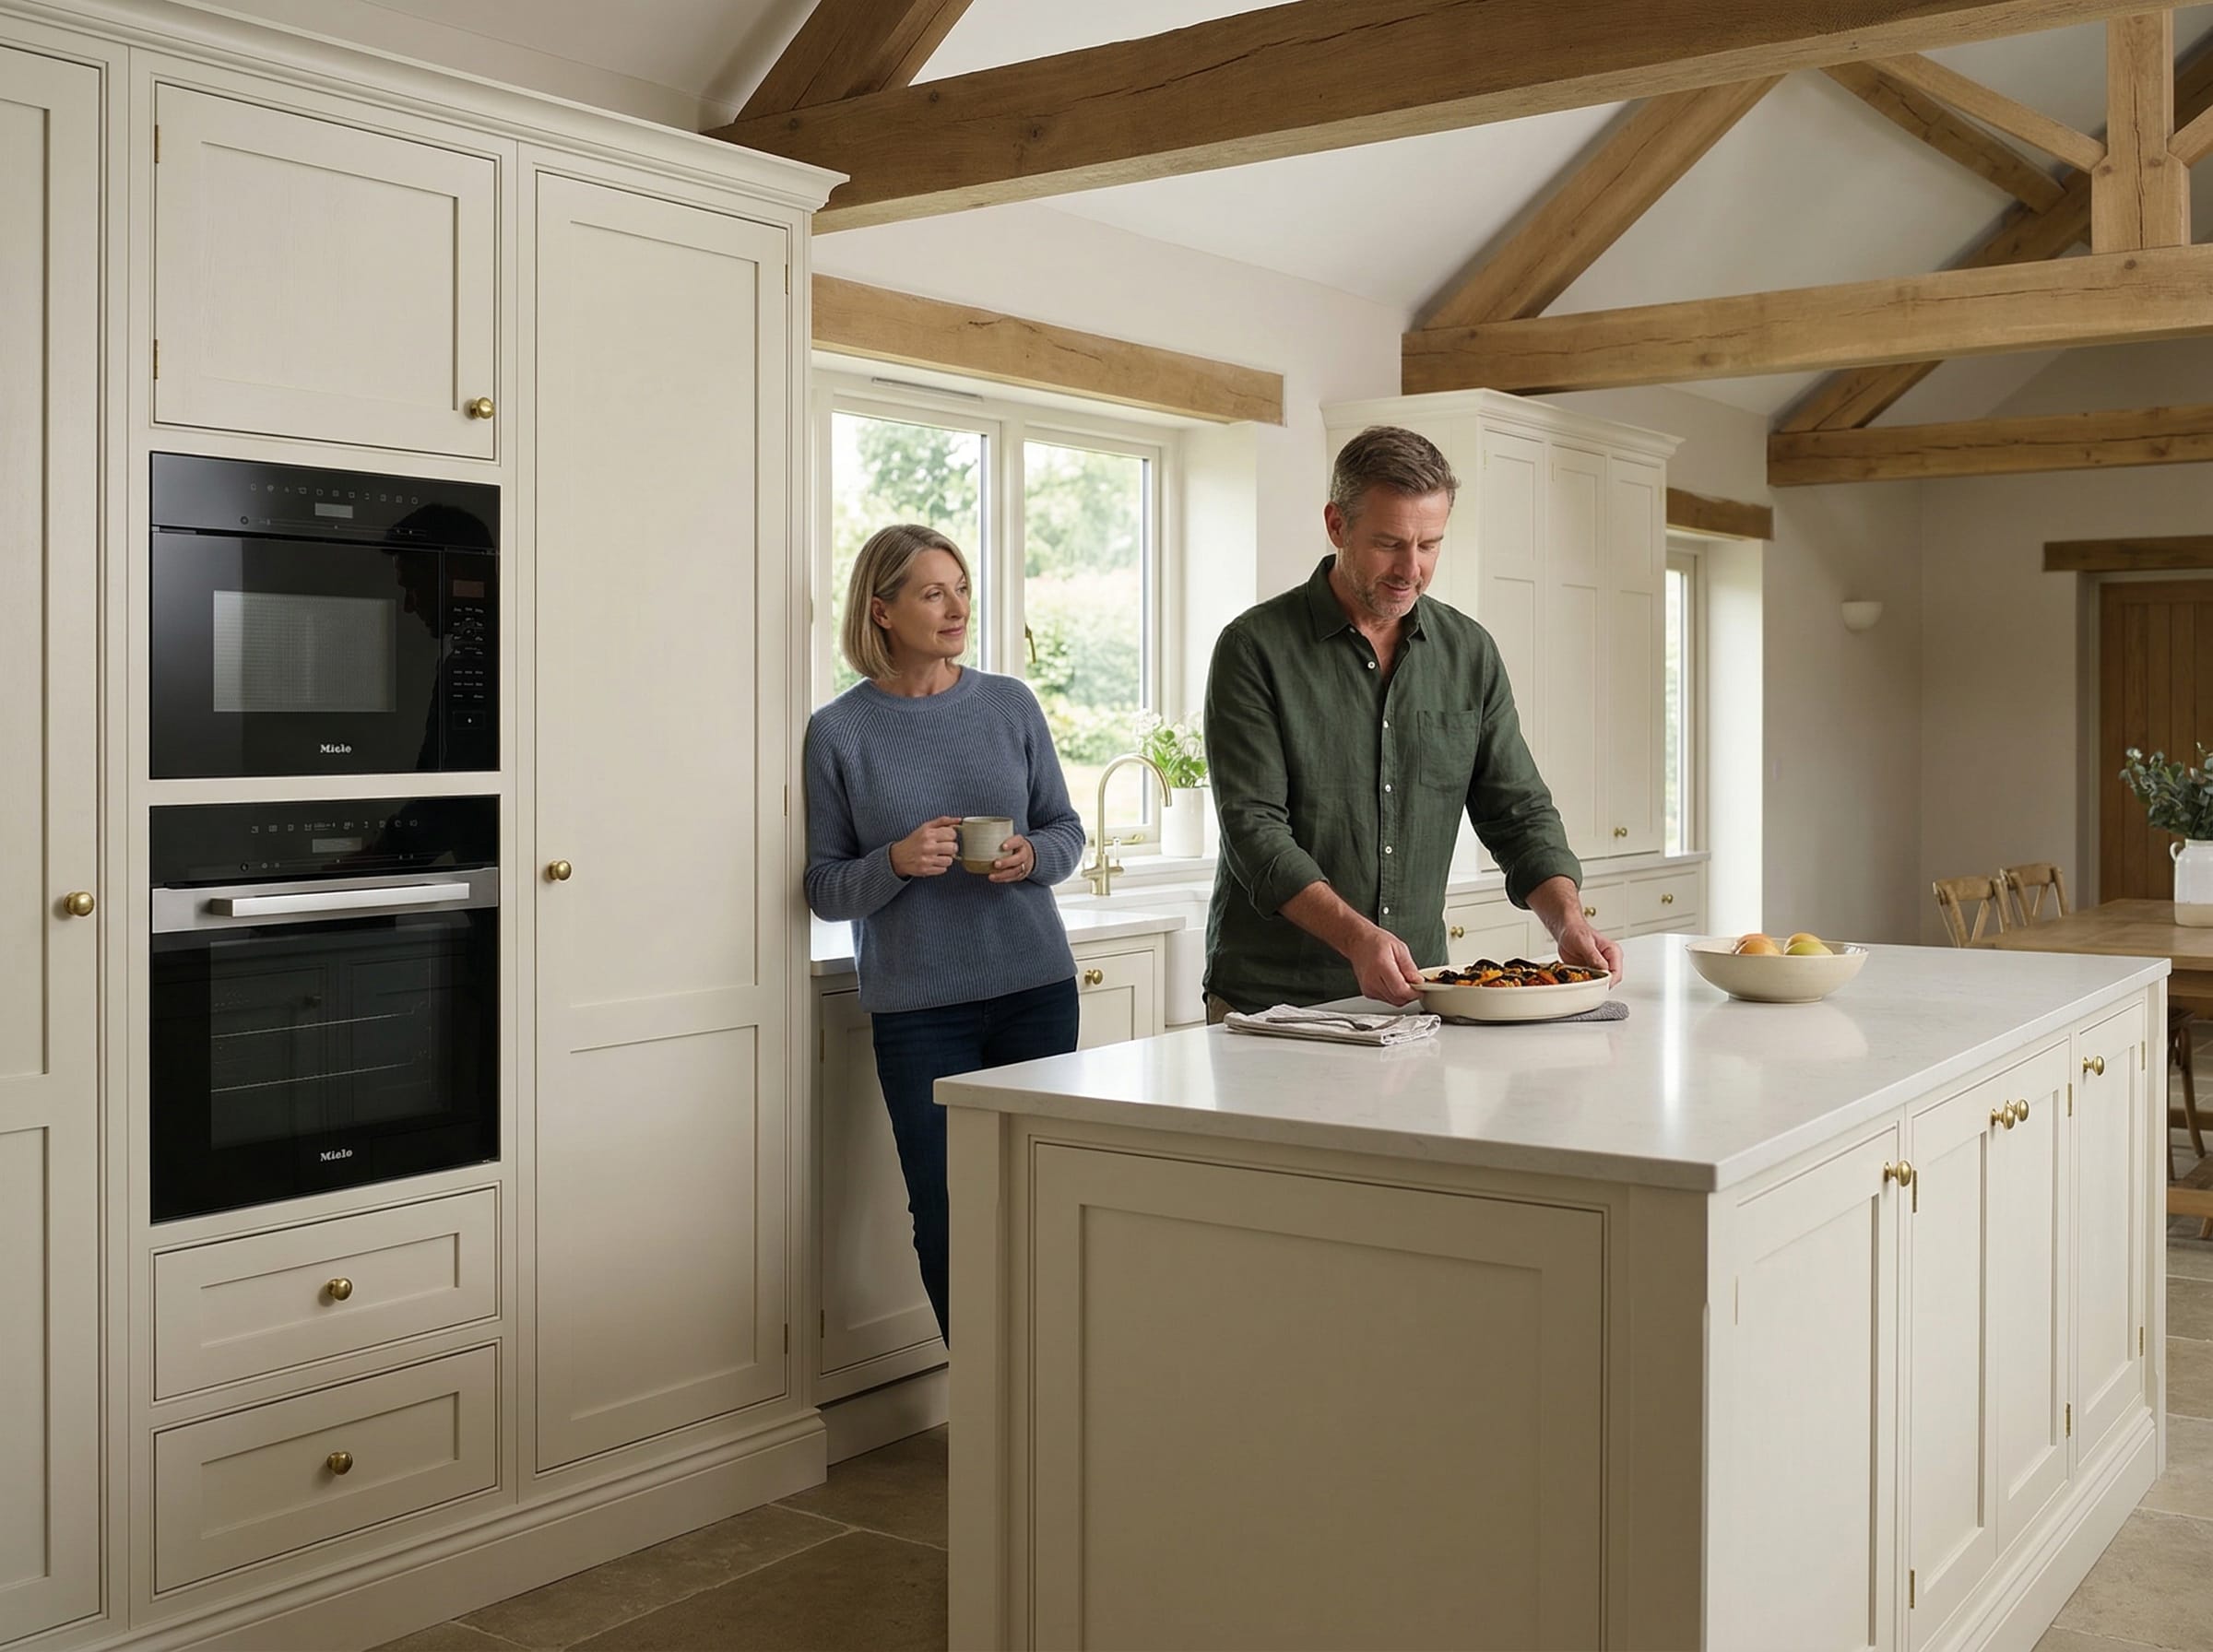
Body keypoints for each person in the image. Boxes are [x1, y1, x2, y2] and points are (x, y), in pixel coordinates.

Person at [1201, 425, 1621, 1018]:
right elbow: (1255, 832)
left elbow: (1518, 812)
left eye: (1430, 545)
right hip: (1275, 1003)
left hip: (1417, 994)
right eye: (1390, 543)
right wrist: (1356, 938)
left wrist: (1568, 922)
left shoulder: (1468, 652)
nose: (1411, 569)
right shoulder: (1254, 648)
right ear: (1336, 525)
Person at [803, 524, 1087, 1341]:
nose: (957, 606)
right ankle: (992, 1407)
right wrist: (894, 860)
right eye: (933, 592)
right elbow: (825, 888)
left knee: (1045, 1197)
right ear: (882, 609)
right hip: (921, 1010)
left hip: (1036, 988)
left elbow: (1065, 831)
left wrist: (1032, 856)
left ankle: (1055, 1392)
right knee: (946, 1208)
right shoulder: (839, 732)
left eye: (961, 587)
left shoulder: (1009, 704)